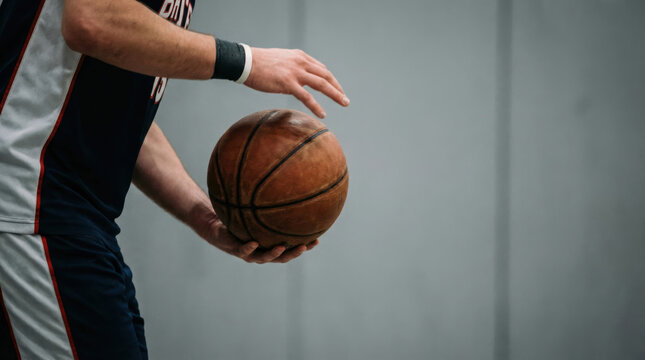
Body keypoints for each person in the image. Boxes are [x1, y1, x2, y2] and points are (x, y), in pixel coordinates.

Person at [0, 0, 349, 358]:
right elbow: (92, 18)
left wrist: (206, 217)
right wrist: (247, 62)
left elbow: (121, 122)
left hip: (69, 214)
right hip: (30, 198)